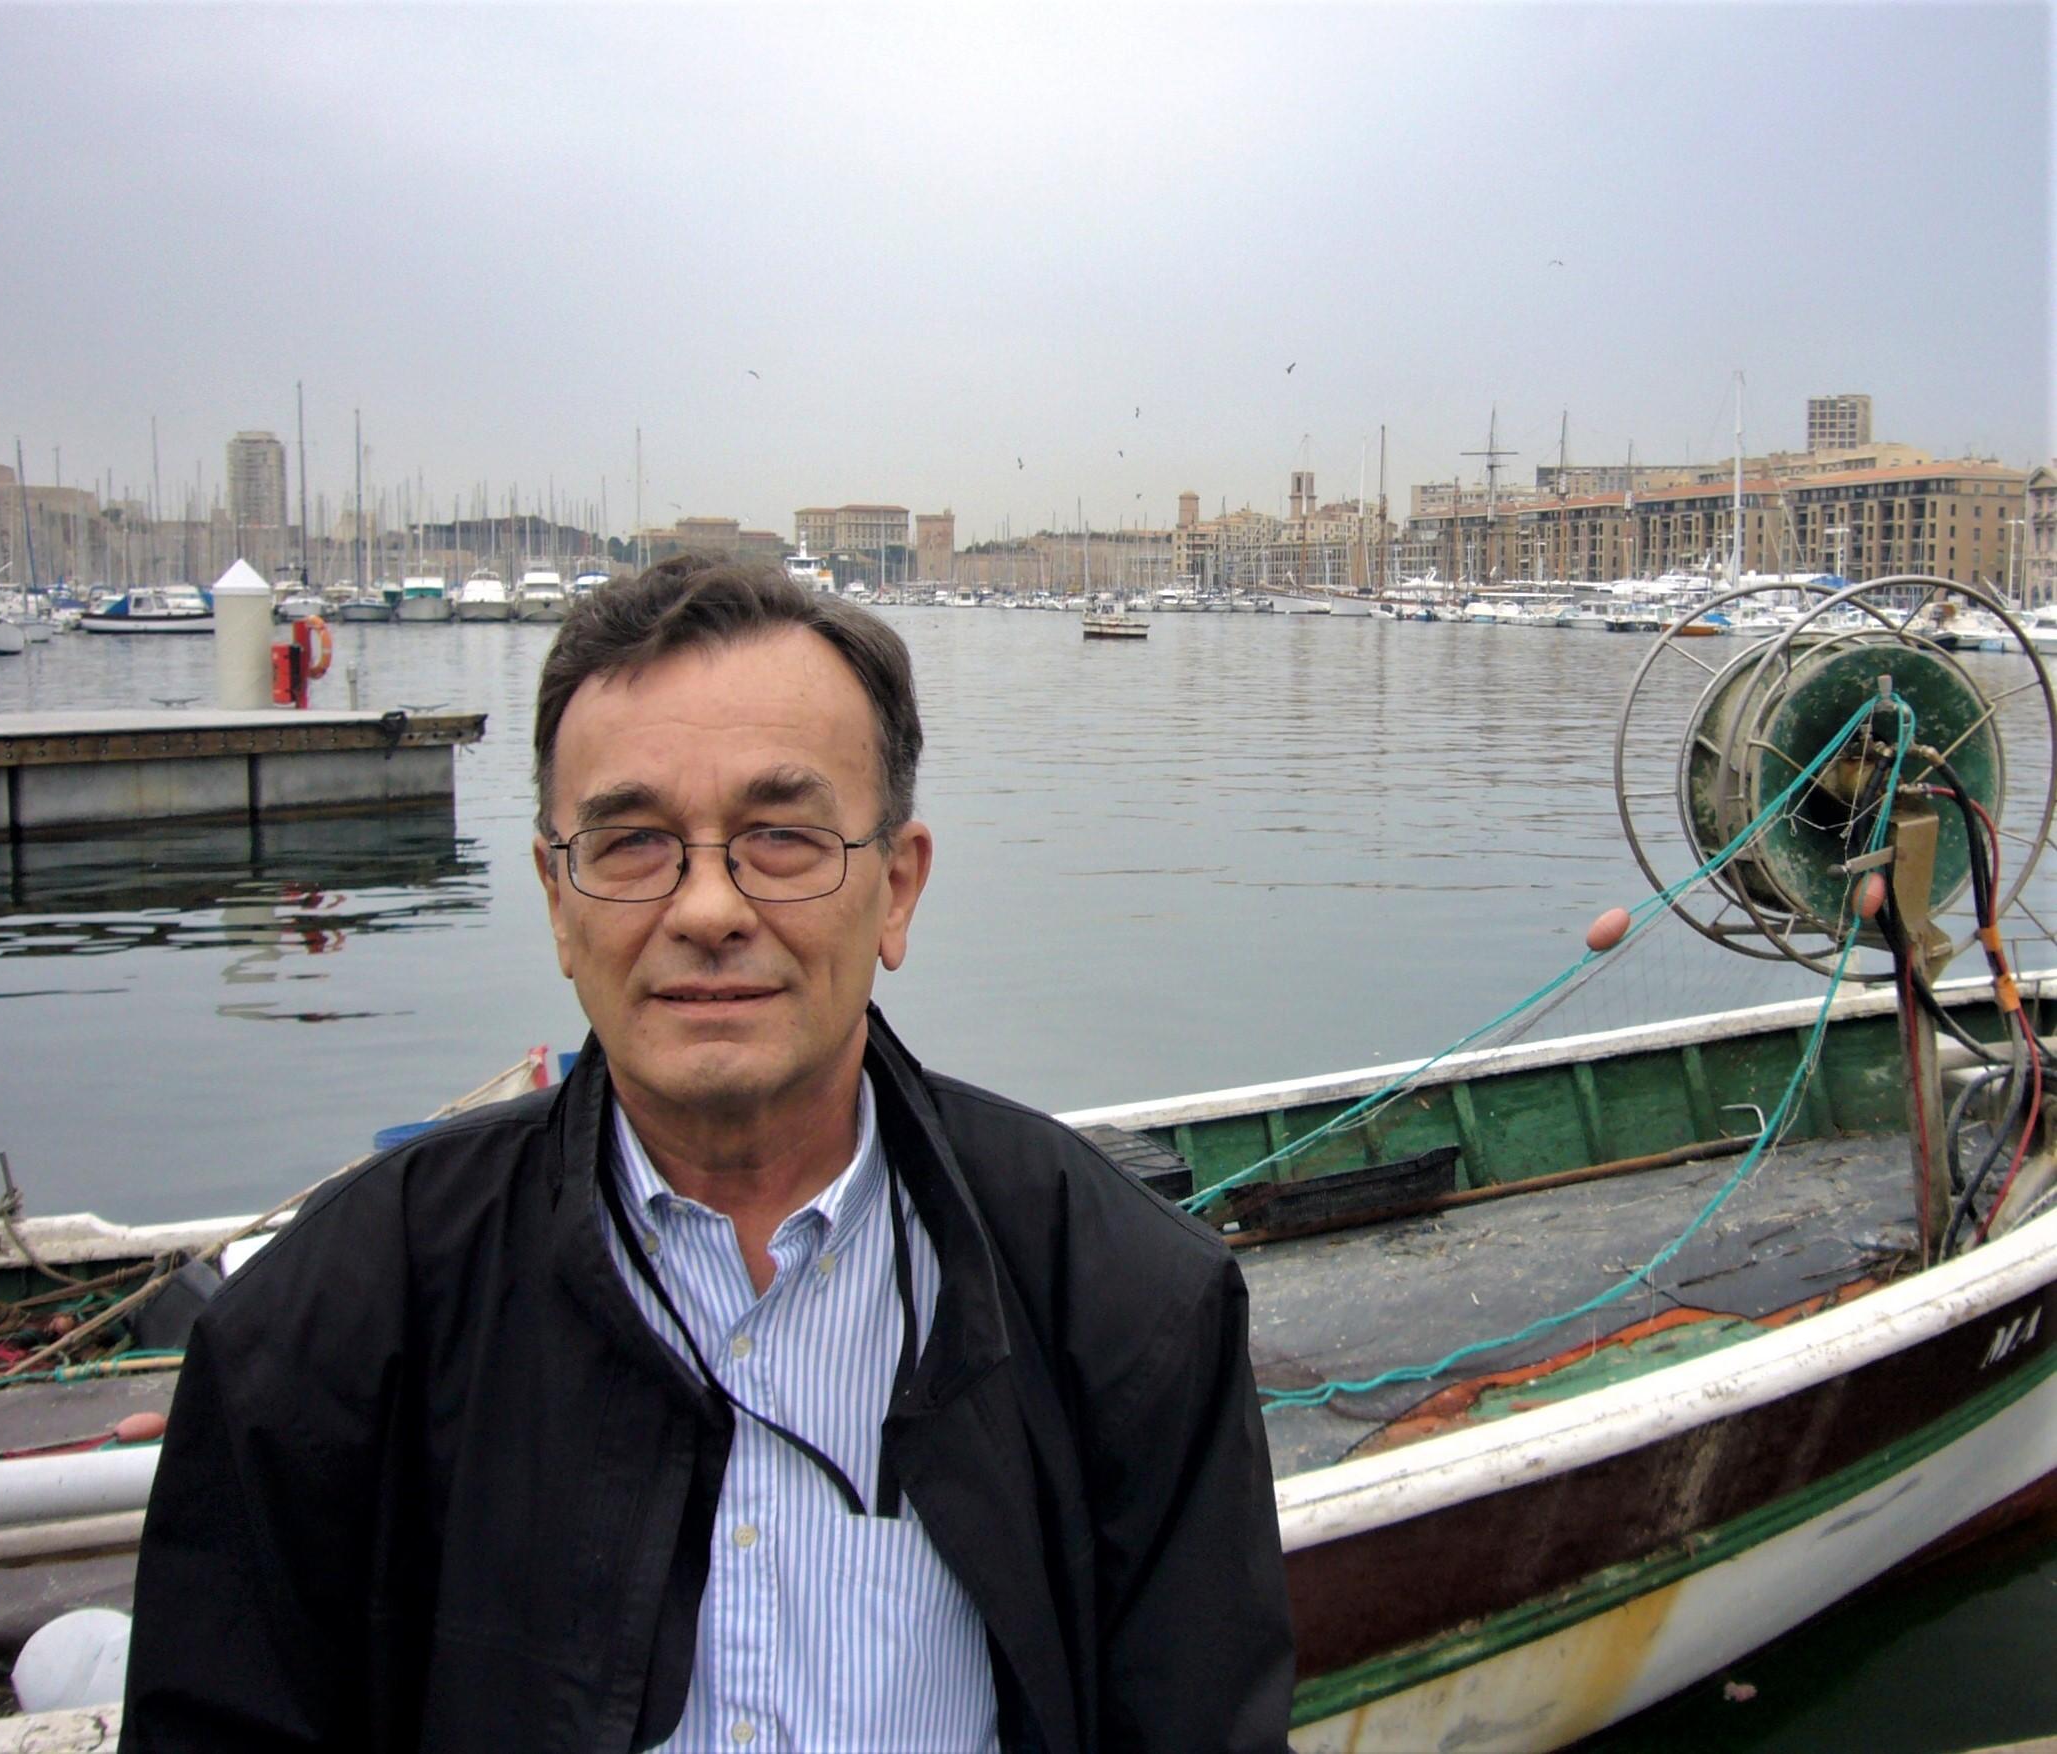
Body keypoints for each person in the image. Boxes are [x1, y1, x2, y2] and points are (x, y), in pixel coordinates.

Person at [122, 556, 1294, 1752]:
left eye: (779, 836)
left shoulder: (1123, 1309)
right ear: (556, 898)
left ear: (895, 889)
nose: (706, 906)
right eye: (631, 842)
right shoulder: (329, 1334)